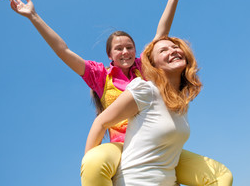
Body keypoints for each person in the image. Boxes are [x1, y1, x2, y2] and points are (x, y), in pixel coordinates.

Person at [5, 0, 232, 185]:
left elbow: (162, 35)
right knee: (94, 163)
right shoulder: (100, 75)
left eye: (129, 47)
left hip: (158, 143)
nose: (125, 51)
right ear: (110, 55)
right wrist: (33, 16)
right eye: (119, 48)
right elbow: (63, 51)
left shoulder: (145, 68)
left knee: (222, 176)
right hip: (122, 146)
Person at [85, 36, 232, 186]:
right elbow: (101, 122)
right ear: (153, 65)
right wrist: (88, 165)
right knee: (94, 162)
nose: (172, 51)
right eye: (163, 50)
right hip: (135, 181)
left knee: (222, 176)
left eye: (175, 47)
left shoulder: (180, 101)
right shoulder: (145, 91)